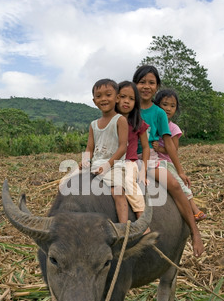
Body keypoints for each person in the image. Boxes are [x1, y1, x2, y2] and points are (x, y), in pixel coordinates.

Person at [132, 65, 204, 257]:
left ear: (156, 87)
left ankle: (194, 232)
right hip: (127, 158)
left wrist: (179, 171)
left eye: (151, 83)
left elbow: (170, 144)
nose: (146, 86)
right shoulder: (128, 107)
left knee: (174, 185)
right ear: (134, 84)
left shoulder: (159, 113)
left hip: (150, 159)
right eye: (142, 82)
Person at [153, 88, 207, 222]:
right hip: (151, 159)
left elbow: (174, 149)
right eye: (164, 104)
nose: (168, 109)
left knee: (179, 184)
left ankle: (194, 209)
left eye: (172, 106)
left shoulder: (173, 128)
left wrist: (160, 148)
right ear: (157, 105)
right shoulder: (152, 124)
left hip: (166, 161)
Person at [80, 78, 129, 223]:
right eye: (99, 96)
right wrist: (85, 160)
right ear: (94, 101)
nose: (103, 99)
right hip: (95, 164)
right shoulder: (93, 124)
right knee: (66, 185)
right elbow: (89, 147)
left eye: (108, 95)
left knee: (117, 192)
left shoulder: (120, 120)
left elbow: (122, 147)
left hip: (114, 165)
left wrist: (108, 165)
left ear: (117, 98)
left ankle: (124, 227)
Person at [115, 80, 150, 221]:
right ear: (116, 98)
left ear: (136, 103)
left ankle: (141, 216)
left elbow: (146, 147)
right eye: (123, 97)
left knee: (129, 183)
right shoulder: (111, 120)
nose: (126, 101)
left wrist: (143, 170)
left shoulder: (138, 123)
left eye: (131, 98)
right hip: (110, 161)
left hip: (129, 162)